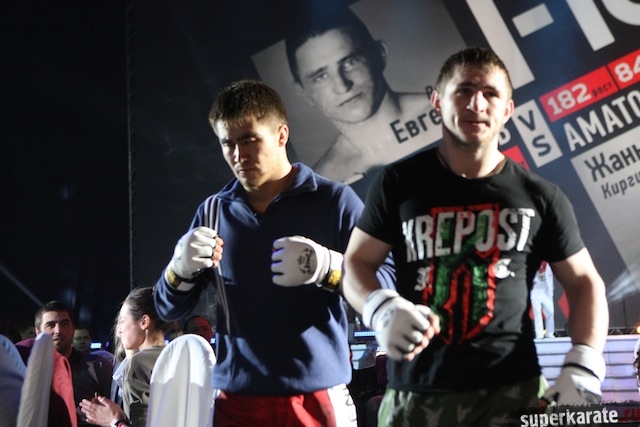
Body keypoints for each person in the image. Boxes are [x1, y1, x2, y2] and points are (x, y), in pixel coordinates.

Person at [341, 47, 609, 426]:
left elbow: (584, 283)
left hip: (513, 395)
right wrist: (379, 307)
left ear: (508, 109)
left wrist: (584, 364)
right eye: (463, 91)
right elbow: (356, 262)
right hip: (416, 397)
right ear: (437, 101)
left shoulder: (539, 196)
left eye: (490, 93)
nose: (476, 104)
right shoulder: (398, 183)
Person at [154, 79, 394, 426]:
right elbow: (168, 308)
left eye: (249, 140)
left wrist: (327, 267)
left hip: (315, 395)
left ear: (281, 135)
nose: (239, 156)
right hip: (237, 397)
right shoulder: (213, 211)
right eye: (228, 144)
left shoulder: (334, 201)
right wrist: (178, 269)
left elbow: (385, 283)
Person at [284, 3, 438, 190]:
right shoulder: (321, 184)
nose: (342, 86)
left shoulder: (452, 113)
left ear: (380, 54)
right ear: (303, 92)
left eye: (350, 62)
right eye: (321, 76)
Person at [81, 286, 169, 427]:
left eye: (122, 321)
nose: (119, 330)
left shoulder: (138, 363)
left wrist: (114, 421)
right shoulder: (178, 356)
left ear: (144, 322)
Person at [16, 300, 113, 426]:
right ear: (38, 332)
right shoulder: (23, 368)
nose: (58, 330)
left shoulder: (98, 366)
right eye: (51, 325)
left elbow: (114, 411)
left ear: (73, 328)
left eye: (64, 324)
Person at [531, 261, 556, 339]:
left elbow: (551, 280)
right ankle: (539, 334)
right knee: (537, 313)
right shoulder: (533, 266)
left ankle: (550, 333)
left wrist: (551, 292)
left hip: (546, 292)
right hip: (535, 292)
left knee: (550, 311)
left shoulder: (548, 267)